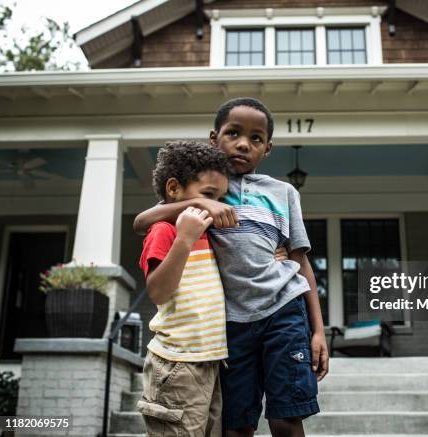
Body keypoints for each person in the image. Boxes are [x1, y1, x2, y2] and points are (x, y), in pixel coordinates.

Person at [134, 97, 329, 437]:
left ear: (267, 148)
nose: (243, 143)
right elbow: (141, 221)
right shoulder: (207, 188)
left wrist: (318, 330)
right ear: (215, 138)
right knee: (235, 424)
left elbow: (300, 261)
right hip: (231, 324)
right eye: (233, 133)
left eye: (256, 138)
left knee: (286, 416)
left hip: (284, 311)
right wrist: (198, 201)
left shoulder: (283, 193)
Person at [136, 140, 231, 437]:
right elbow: (158, 292)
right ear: (174, 188)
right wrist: (184, 240)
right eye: (208, 196)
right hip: (177, 362)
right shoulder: (165, 230)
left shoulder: (209, 233)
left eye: (220, 198)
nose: (215, 206)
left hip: (210, 360)